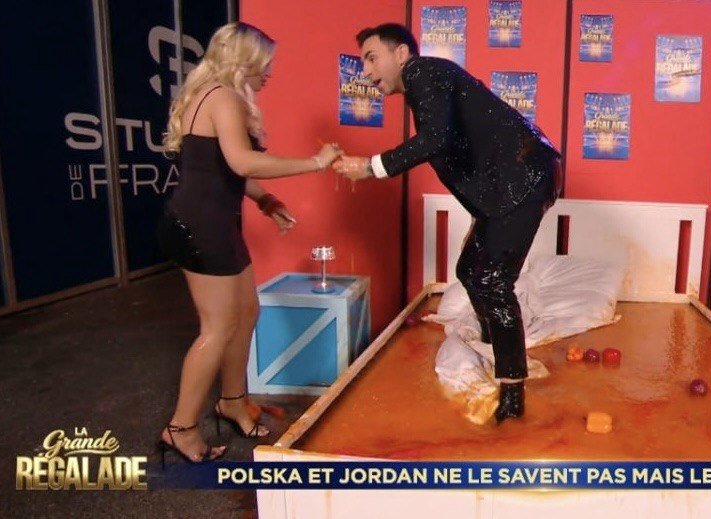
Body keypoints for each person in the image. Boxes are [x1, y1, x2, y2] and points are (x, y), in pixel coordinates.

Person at [334, 23, 562, 424]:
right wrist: (479, 216)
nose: (366, 71)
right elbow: (462, 144)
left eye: (372, 58)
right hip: (511, 183)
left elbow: (435, 139)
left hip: (524, 176)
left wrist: (370, 166)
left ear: (401, 54)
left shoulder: (423, 72)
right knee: (469, 270)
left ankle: (512, 393)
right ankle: (492, 343)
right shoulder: (429, 82)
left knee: (492, 280)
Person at [156, 22, 341, 464]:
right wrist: (315, 163)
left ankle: (233, 402)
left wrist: (265, 200)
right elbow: (241, 162)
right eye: (265, 64)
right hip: (201, 226)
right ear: (243, 61)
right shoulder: (222, 96)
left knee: (246, 312)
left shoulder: (217, 95)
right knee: (218, 328)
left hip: (214, 223)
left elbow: (219, 168)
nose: (269, 72)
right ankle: (180, 429)